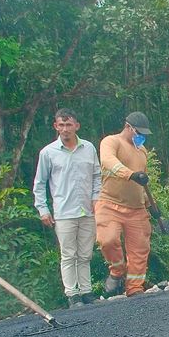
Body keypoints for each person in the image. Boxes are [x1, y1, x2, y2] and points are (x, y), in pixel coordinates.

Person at [32, 108, 102, 307]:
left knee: (85, 254)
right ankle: (72, 294)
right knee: (68, 254)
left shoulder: (88, 148)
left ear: (76, 126)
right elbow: (40, 183)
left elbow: (97, 176)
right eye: (61, 125)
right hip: (64, 211)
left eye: (69, 124)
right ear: (56, 126)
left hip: (87, 209)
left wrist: (96, 198)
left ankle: (87, 291)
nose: (65, 129)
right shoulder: (48, 153)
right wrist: (43, 209)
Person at [96, 111, 154, 297]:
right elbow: (108, 161)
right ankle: (117, 270)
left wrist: (151, 205)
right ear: (129, 127)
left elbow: (143, 182)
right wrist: (130, 174)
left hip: (136, 209)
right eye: (139, 132)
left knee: (140, 248)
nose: (141, 137)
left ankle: (135, 287)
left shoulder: (142, 151)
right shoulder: (111, 142)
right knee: (107, 240)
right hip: (110, 203)